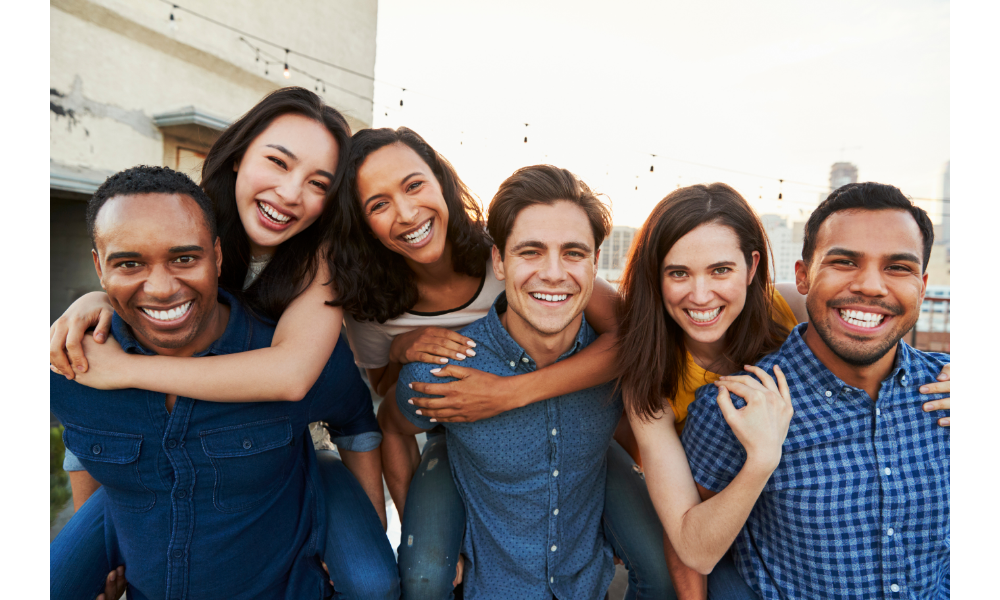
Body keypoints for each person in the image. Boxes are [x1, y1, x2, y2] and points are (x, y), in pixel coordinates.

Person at [48, 88, 398, 598]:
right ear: (237, 158)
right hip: (158, 464)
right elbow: (94, 420)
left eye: (317, 182)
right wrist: (94, 298)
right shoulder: (183, 215)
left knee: (369, 577)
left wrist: (126, 370)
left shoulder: (319, 263)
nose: (290, 192)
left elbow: (291, 375)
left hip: (283, 449)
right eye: (277, 162)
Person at [329, 129, 676, 599]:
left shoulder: (516, 246)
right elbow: (392, 401)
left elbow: (630, 340)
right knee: (426, 574)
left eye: (414, 185)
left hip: (544, 413)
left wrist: (507, 394)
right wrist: (400, 347)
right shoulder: (371, 302)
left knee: (659, 559)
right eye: (378, 204)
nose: (407, 213)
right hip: (456, 430)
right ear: (502, 261)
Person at [615, 183, 951, 599]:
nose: (870, 286)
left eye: (721, 270)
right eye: (678, 272)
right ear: (804, 274)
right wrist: (762, 458)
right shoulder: (703, 395)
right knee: (657, 576)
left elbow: (855, 315)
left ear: (752, 269)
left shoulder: (775, 307)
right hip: (668, 486)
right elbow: (690, 545)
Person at [392, 164, 633, 599]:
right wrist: (434, 539)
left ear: (596, 264)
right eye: (531, 252)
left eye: (574, 253)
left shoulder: (616, 366)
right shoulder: (444, 372)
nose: (555, 273)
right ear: (499, 262)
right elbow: (392, 427)